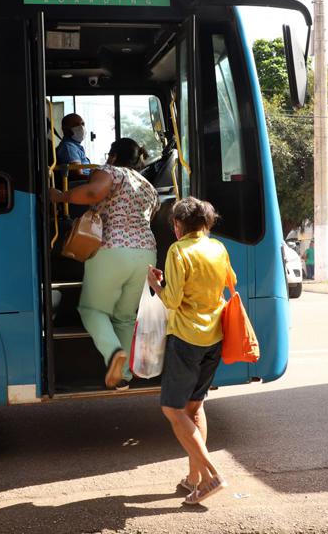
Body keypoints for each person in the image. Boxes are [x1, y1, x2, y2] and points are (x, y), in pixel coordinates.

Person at [50, 138, 157, 390]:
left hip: (112, 250)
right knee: (125, 317)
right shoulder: (147, 185)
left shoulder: (110, 172)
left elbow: (92, 193)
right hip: (146, 254)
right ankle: (124, 377)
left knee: (92, 311)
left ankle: (113, 354)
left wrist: (61, 195)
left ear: (112, 156)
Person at [147, 197, 233, 506]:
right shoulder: (218, 248)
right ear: (207, 224)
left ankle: (211, 476)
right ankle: (194, 479)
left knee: (172, 409)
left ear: (178, 225)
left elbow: (171, 301)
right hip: (215, 335)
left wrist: (156, 284)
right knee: (195, 408)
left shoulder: (178, 250)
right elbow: (226, 283)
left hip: (186, 338)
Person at [55, 113, 91, 178]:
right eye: (76, 125)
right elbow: (77, 175)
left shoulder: (76, 146)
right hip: (81, 183)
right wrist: (97, 179)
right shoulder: (69, 147)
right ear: (65, 129)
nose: (81, 128)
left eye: (83, 124)